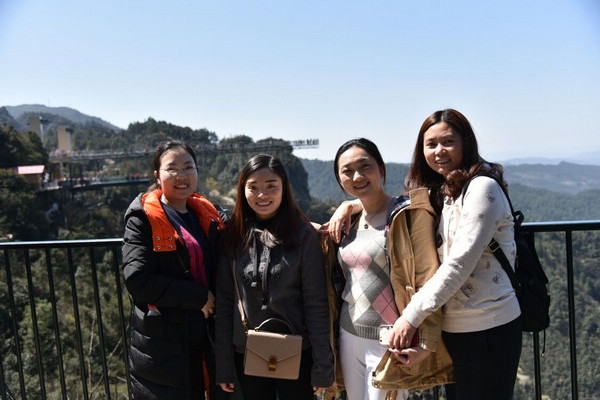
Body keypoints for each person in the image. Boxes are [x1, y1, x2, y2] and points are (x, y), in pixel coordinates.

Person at [331, 110, 522, 400]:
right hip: (453, 327)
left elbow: (458, 265)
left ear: (466, 143)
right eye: (430, 144)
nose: (439, 150)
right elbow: (393, 208)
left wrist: (409, 319)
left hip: (489, 324)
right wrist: (351, 205)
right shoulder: (443, 192)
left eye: (448, 142)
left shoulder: (482, 188)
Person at [323, 138, 453, 400]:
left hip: (390, 340)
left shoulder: (408, 215)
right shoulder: (348, 222)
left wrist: (426, 342)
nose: (357, 176)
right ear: (339, 180)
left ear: (381, 169)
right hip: (348, 336)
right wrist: (347, 206)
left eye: (365, 166)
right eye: (347, 171)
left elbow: (427, 278)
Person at [215, 154, 334, 400]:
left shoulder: (303, 235)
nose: (262, 195)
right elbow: (225, 303)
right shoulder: (233, 235)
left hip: (297, 352)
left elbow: (316, 303)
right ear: (242, 190)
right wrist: (224, 365)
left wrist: (322, 365)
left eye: (271, 186)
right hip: (247, 353)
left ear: (284, 188)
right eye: (253, 187)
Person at [122, 140, 226, 399]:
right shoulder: (142, 218)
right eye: (172, 168)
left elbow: (249, 226)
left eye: (188, 167)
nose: (182, 175)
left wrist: (308, 227)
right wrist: (198, 296)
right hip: (164, 344)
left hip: (204, 336)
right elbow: (138, 280)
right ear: (157, 176)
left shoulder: (206, 213)